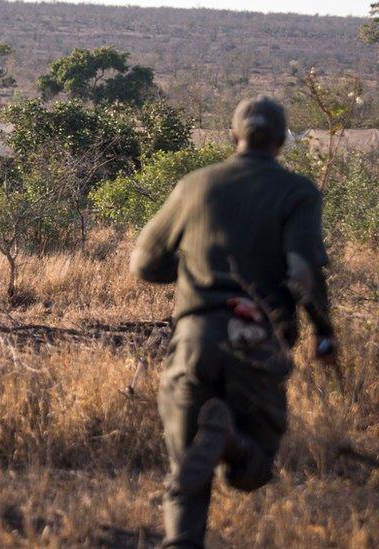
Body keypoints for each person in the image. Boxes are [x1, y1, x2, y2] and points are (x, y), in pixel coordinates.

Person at [130, 96, 338, 548]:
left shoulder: (196, 185)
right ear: (282, 141)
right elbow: (302, 272)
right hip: (257, 341)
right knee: (254, 470)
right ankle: (233, 444)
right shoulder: (297, 192)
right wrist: (324, 332)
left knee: (185, 472)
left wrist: (189, 274)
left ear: (232, 136)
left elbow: (144, 263)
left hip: (195, 337)